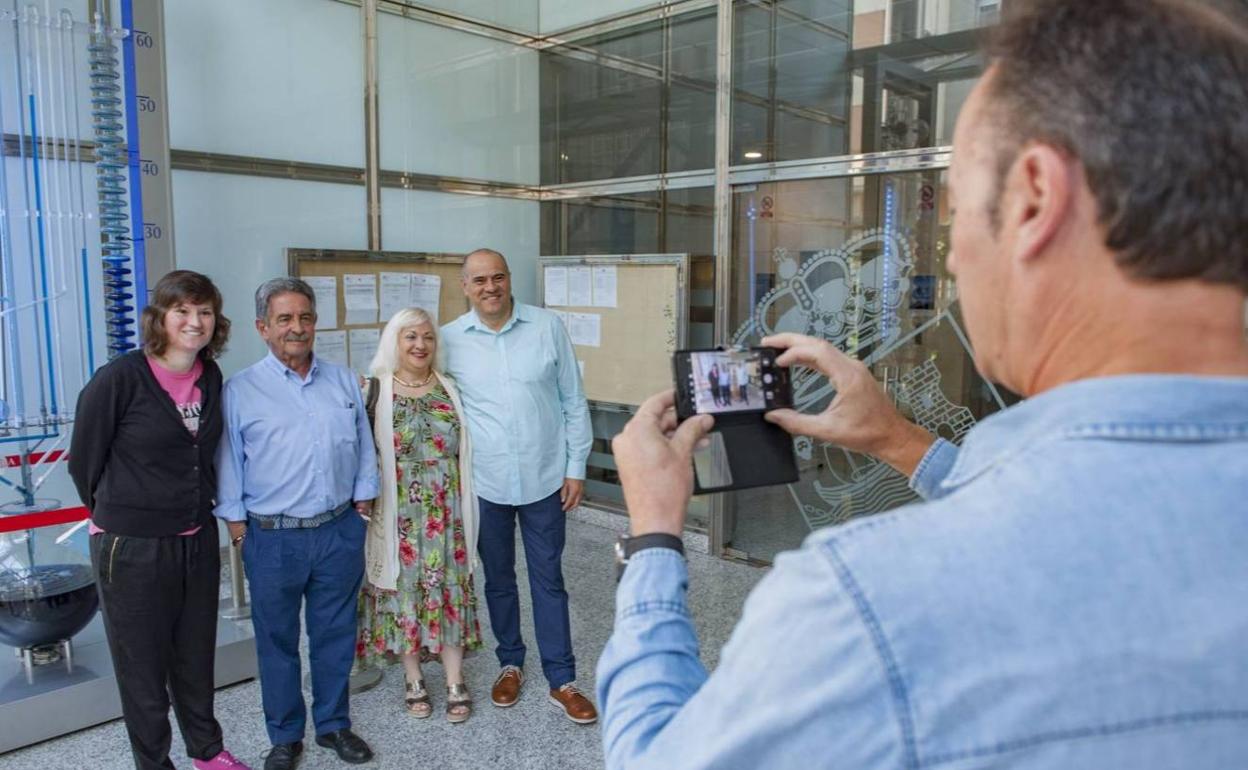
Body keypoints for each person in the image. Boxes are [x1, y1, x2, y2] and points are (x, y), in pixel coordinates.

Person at [597, 1, 1248, 767]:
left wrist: (652, 539)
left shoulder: (872, 603)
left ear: (1036, 198)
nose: (958, 265)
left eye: (964, 216)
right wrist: (899, 442)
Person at [69, 270, 249, 770]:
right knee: (143, 668)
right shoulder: (120, 379)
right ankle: (154, 763)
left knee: (194, 656)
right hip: (131, 547)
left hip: (194, 538)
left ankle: (207, 752)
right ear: (160, 319)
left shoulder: (209, 376)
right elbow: (83, 461)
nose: (195, 322)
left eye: (205, 312)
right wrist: (119, 514)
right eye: (183, 312)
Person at [215, 278, 379, 770]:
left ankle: (333, 725)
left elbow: (363, 446)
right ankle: (285, 736)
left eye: (305, 317)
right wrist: (239, 530)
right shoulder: (240, 390)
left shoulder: (344, 381)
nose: (297, 327)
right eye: (284, 319)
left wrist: (362, 506)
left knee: (334, 635)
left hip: (337, 532)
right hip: (272, 537)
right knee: (277, 641)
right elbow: (228, 466)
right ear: (263, 327)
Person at [441, 248, 598, 724]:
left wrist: (576, 468)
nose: (490, 287)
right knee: (499, 580)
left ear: (510, 280)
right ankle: (510, 663)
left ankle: (562, 679)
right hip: (483, 484)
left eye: (498, 278)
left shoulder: (546, 327)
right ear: (465, 287)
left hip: (545, 479)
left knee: (549, 580)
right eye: (479, 280)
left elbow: (573, 400)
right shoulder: (448, 340)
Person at [356, 307, 484, 723]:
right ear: (394, 341)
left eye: (427, 337)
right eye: (410, 336)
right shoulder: (374, 389)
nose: (420, 345)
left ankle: (454, 679)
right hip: (400, 517)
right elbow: (360, 453)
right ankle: (412, 678)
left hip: (447, 514)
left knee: (450, 592)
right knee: (404, 596)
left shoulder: (450, 387)